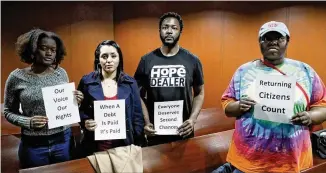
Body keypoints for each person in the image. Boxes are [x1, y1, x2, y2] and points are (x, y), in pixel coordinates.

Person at [213, 21, 326, 173]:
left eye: (279, 38)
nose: (273, 42)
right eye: (267, 38)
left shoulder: (305, 71)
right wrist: (239, 106)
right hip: (248, 160)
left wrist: (310, 116)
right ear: (260, 42)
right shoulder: (244, 71)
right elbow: (227, 104)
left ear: (287, 41)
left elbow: (322, 105)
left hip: (291, 161)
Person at [3, 28, 84, 168]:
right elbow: (8, 111)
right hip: (33, 144)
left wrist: (77, 100)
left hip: (63, 140)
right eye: (44, 48)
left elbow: (65, 106)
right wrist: (27, 121)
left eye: (53, 50)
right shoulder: (16, 77)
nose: (49, 53)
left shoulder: (61, 73)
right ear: (32, 49)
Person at [134, 12, 205, 146]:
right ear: (159, 31)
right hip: (155, 132)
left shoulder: (192, 60)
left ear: (180, 31)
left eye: (174, 28)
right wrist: (146, 122)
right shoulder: (146, 60)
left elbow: (199, 92)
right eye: (165, 27)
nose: (169, 31)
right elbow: (137, 94)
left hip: (183, 131)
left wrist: (192, 120)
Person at [77, 40, 144, 156]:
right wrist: (85, 122)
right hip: (96, 147)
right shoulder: (86, 81)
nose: (109, 60)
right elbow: (80, 111)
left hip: (124, 148)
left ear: (119, 58)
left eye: (113, 56)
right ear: (98, 59)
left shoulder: (130, 83)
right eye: (104, 56)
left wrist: (136, 142)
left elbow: (137, 116)